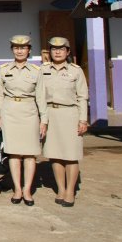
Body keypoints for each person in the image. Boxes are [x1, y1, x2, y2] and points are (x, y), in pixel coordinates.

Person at [0, 35, 47, 206]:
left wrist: (43, 119)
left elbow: (41, 97)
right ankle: (17, 189)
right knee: (14, 153)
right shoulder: (4, 69)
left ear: (29, 50)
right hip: (10, 112)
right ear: (12, 50)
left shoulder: (36, 71)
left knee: (30, 154)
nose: (19, 50)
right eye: (16, 47)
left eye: (23, 47)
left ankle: (27, 190)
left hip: (29, 112)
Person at [37, 37, 89, 208]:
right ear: (49, 52)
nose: (57, 52)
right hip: (51, 114)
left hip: (70, 114)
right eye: (54, 49)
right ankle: (60, 188)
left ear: (68, 52)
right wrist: (42, 120)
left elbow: (82, 97)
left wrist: (83, 119)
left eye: (61, 49)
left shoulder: (76, 71)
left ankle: (70, 191)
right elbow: (40, 95)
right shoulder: (43, 70)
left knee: (71, 155)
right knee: (55, 155)